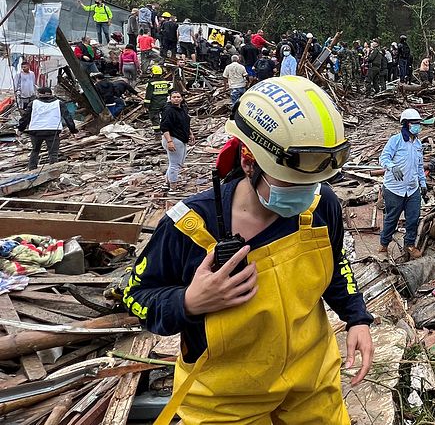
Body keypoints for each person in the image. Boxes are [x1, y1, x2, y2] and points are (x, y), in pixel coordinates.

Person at [122, 76, 373, 424]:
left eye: (313, 183)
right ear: (249, 161)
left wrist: (356, 318)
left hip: (312, 386)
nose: (305, 193)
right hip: (224, 402)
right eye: (290, 181)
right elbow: (136, 297)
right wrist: (189, 302)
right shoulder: (189, 227)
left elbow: (335, 263)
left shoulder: (321, 206)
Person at [378, 108, 428, 259]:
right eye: (414, 123)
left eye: (419, 124)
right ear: (406, 124)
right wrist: (392, 167)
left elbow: (419, 166)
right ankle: (384, 244)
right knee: (392, 218)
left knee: (413, 217)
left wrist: (423, 183)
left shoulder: (418, 144)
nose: (417, 126)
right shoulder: (395, 140)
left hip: (412, 188)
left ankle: (410, 245)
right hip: (394, 188)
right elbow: (383, 158)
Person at [18, 87, 77, 170]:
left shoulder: (33, 103)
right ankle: (53, 170)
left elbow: (26, 117)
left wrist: (20, 128)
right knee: (53, 153)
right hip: (52, 131)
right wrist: (73, 129)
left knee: (35, 150)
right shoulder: (59, 103)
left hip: (36, 131)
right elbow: (67, 117)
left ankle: (31, 168)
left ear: (39, 94)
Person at [159, 90, 192, 192]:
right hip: (174, 139)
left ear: (181, 98)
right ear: (170, 98)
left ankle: (167, 183)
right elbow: (164, 127)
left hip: (181, 138)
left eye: (178, 97)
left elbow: (184, 123)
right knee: (175, 165)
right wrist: (169, 141)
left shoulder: (182, 109)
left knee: (173, 163)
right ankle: (173, 188)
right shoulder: (169, 110)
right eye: (174, 97)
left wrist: (190, 133)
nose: (176, 99)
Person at [144, 65, 171, 130]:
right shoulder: (165, 82)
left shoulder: (151, 83)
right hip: (164, 103)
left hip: (154, 105)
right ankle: (166, 131)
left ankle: (157, 134)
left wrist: (146, 106)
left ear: (153, 73)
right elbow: (172, 91)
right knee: (165, 118)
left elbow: (148, 96)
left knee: (155, 118)